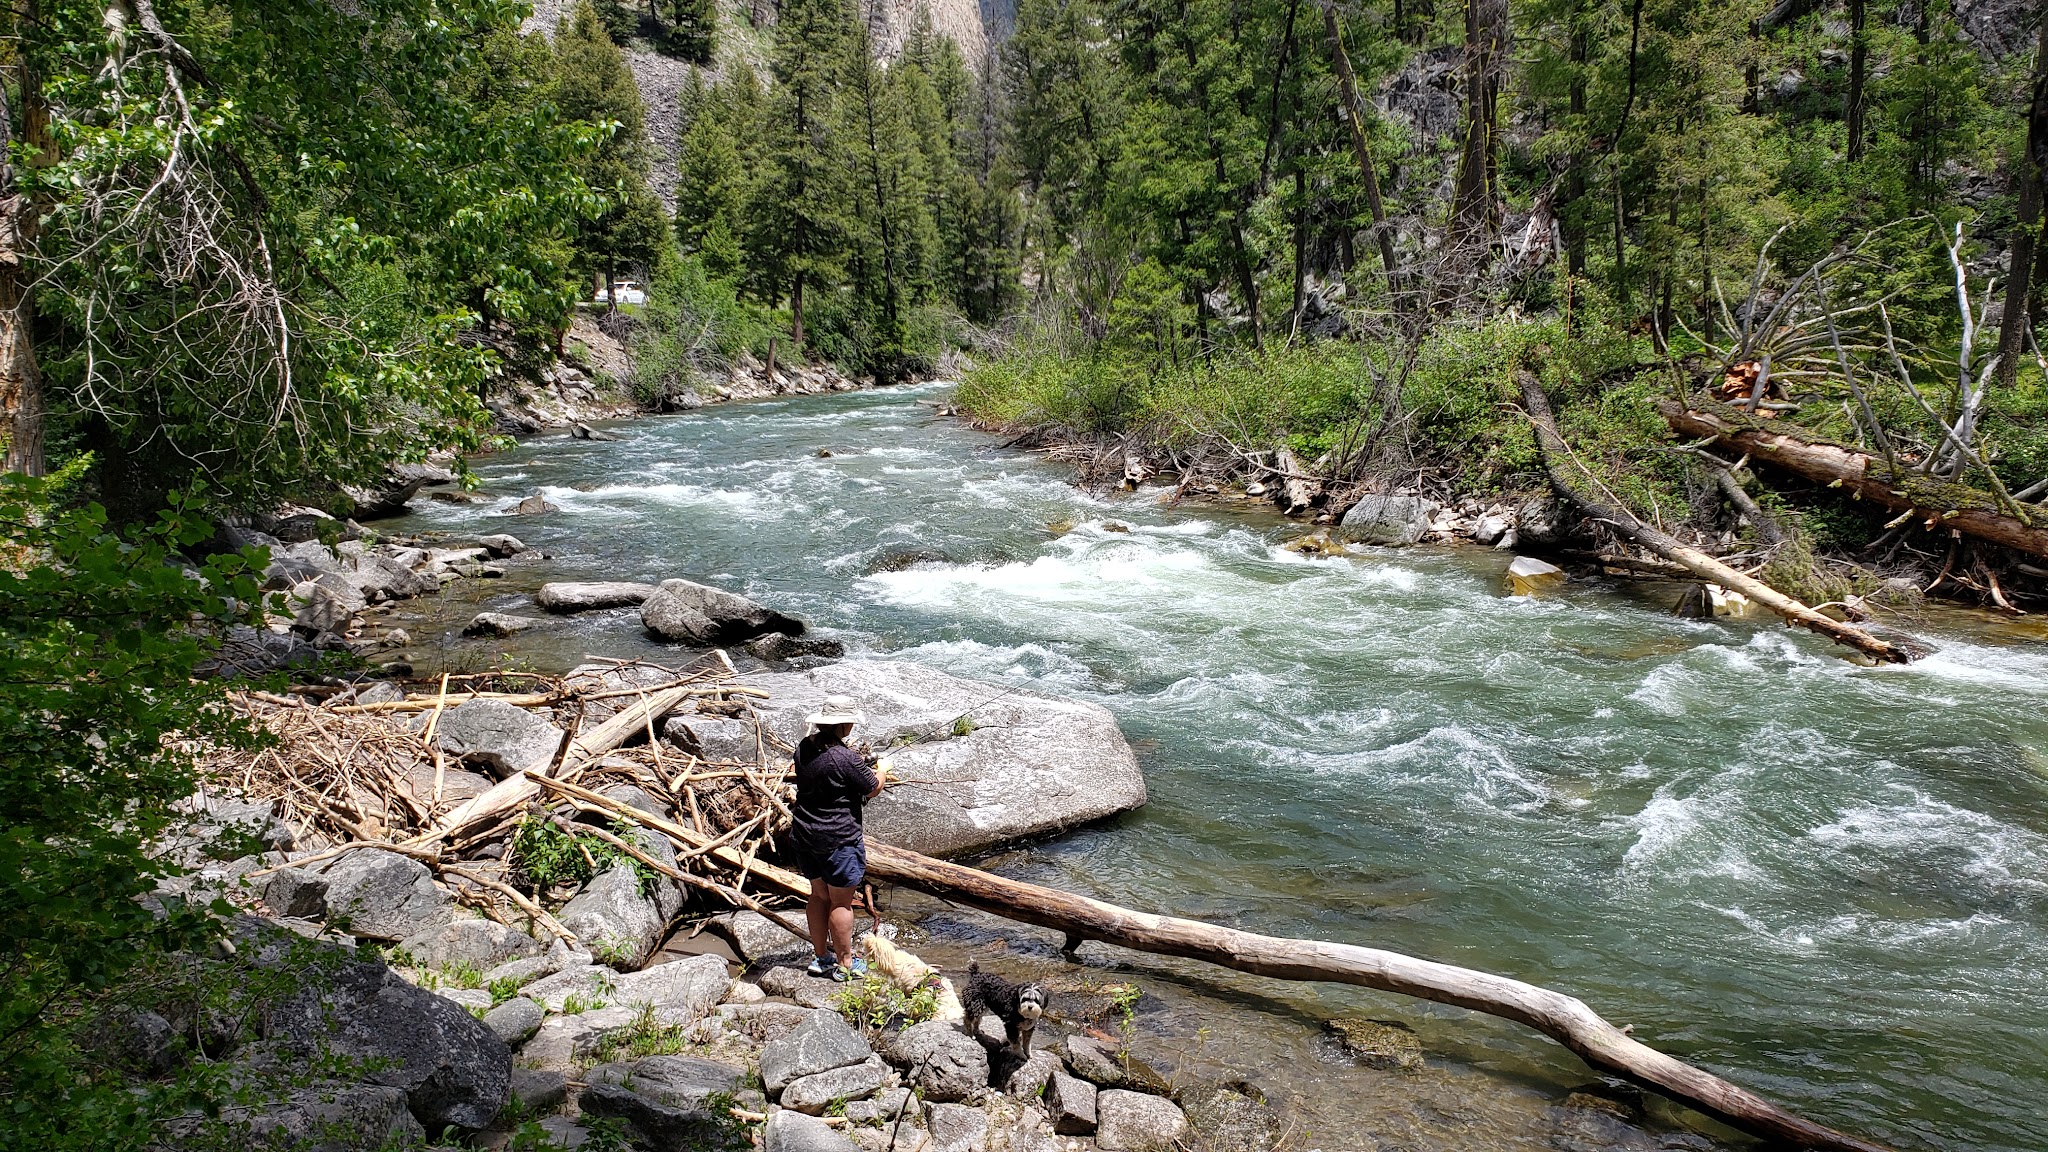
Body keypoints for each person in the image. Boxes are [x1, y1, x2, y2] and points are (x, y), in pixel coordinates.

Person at [791, 694, 885, 980]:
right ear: (844, 725)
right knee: (841, 903)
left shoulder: (804, 747)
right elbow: (871, 788)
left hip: (805, 834)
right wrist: (882, 770)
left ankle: (821, 958)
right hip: (839, 840)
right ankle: (845, 964)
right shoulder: (845, 757)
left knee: (818, 896)